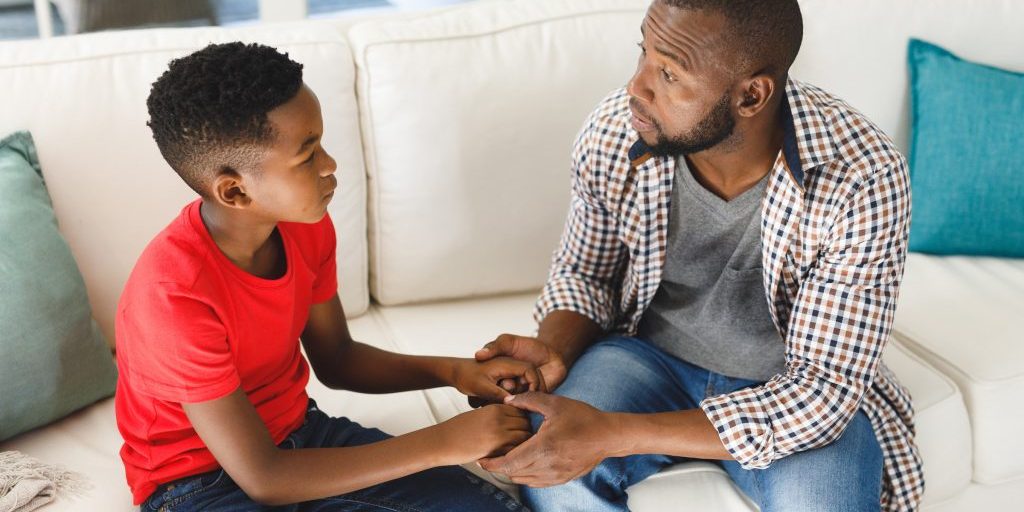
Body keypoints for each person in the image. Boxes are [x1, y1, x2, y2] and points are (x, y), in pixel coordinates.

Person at [475, 0, 924, 510]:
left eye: (669, 74)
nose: (635, 88)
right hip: (646, 358)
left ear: (751, 96)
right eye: (643, 53)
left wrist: (612, 434)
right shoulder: (617, 130)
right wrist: (556, 349)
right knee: (552, 471)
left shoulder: (862, 176)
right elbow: (587, 274)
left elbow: (820, 393)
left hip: (784, 384)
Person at [114, 42, 537, 512]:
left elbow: (337, 358)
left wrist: (458, 371)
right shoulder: (173, 296)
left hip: (305, 437)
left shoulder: (305, 228)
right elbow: (264, 479)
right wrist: (443, 441)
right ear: (235, 190)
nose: (330, 165)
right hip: (198, 484)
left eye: (321, 143)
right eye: (307, 155)